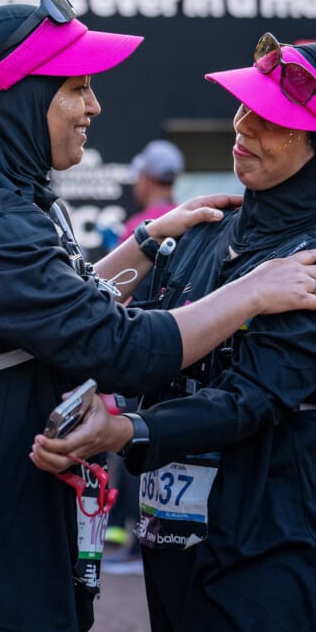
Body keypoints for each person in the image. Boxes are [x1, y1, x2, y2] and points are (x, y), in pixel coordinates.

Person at [0, 0, 316, 632]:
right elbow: (120, 347)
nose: (94, 105)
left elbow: (71, 302)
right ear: (22, 98)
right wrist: (251, 293)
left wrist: (146, 244)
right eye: (76, 88)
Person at [33, 32, 316, 632]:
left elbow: (253, 399)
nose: (244, 124)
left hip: (280, 545)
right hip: (175, 540)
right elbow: (122, 344)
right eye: (245, 104)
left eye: (271, 117)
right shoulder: (199, 231)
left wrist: (125, 431)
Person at [104, 139, 186, 563]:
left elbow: (119, 295)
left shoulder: (140, 227)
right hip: (176, 347)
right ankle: (149, 536)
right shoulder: (189, 220)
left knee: (134, 440)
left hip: (137, 348)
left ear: (148, 178)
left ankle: (136, 540)